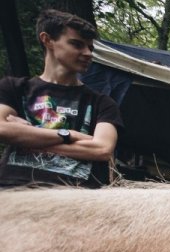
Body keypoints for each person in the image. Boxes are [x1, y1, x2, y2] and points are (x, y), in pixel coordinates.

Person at [0, 9, 122, 188]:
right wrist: (70, 135)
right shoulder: (14, 88)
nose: (88, 53)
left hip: (76, 199)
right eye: (77, 44)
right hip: (11, 192)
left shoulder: (103, 103)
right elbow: (2, 129)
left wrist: (26, 138)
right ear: (47, 40)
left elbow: (102, 149)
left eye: (90, 47)